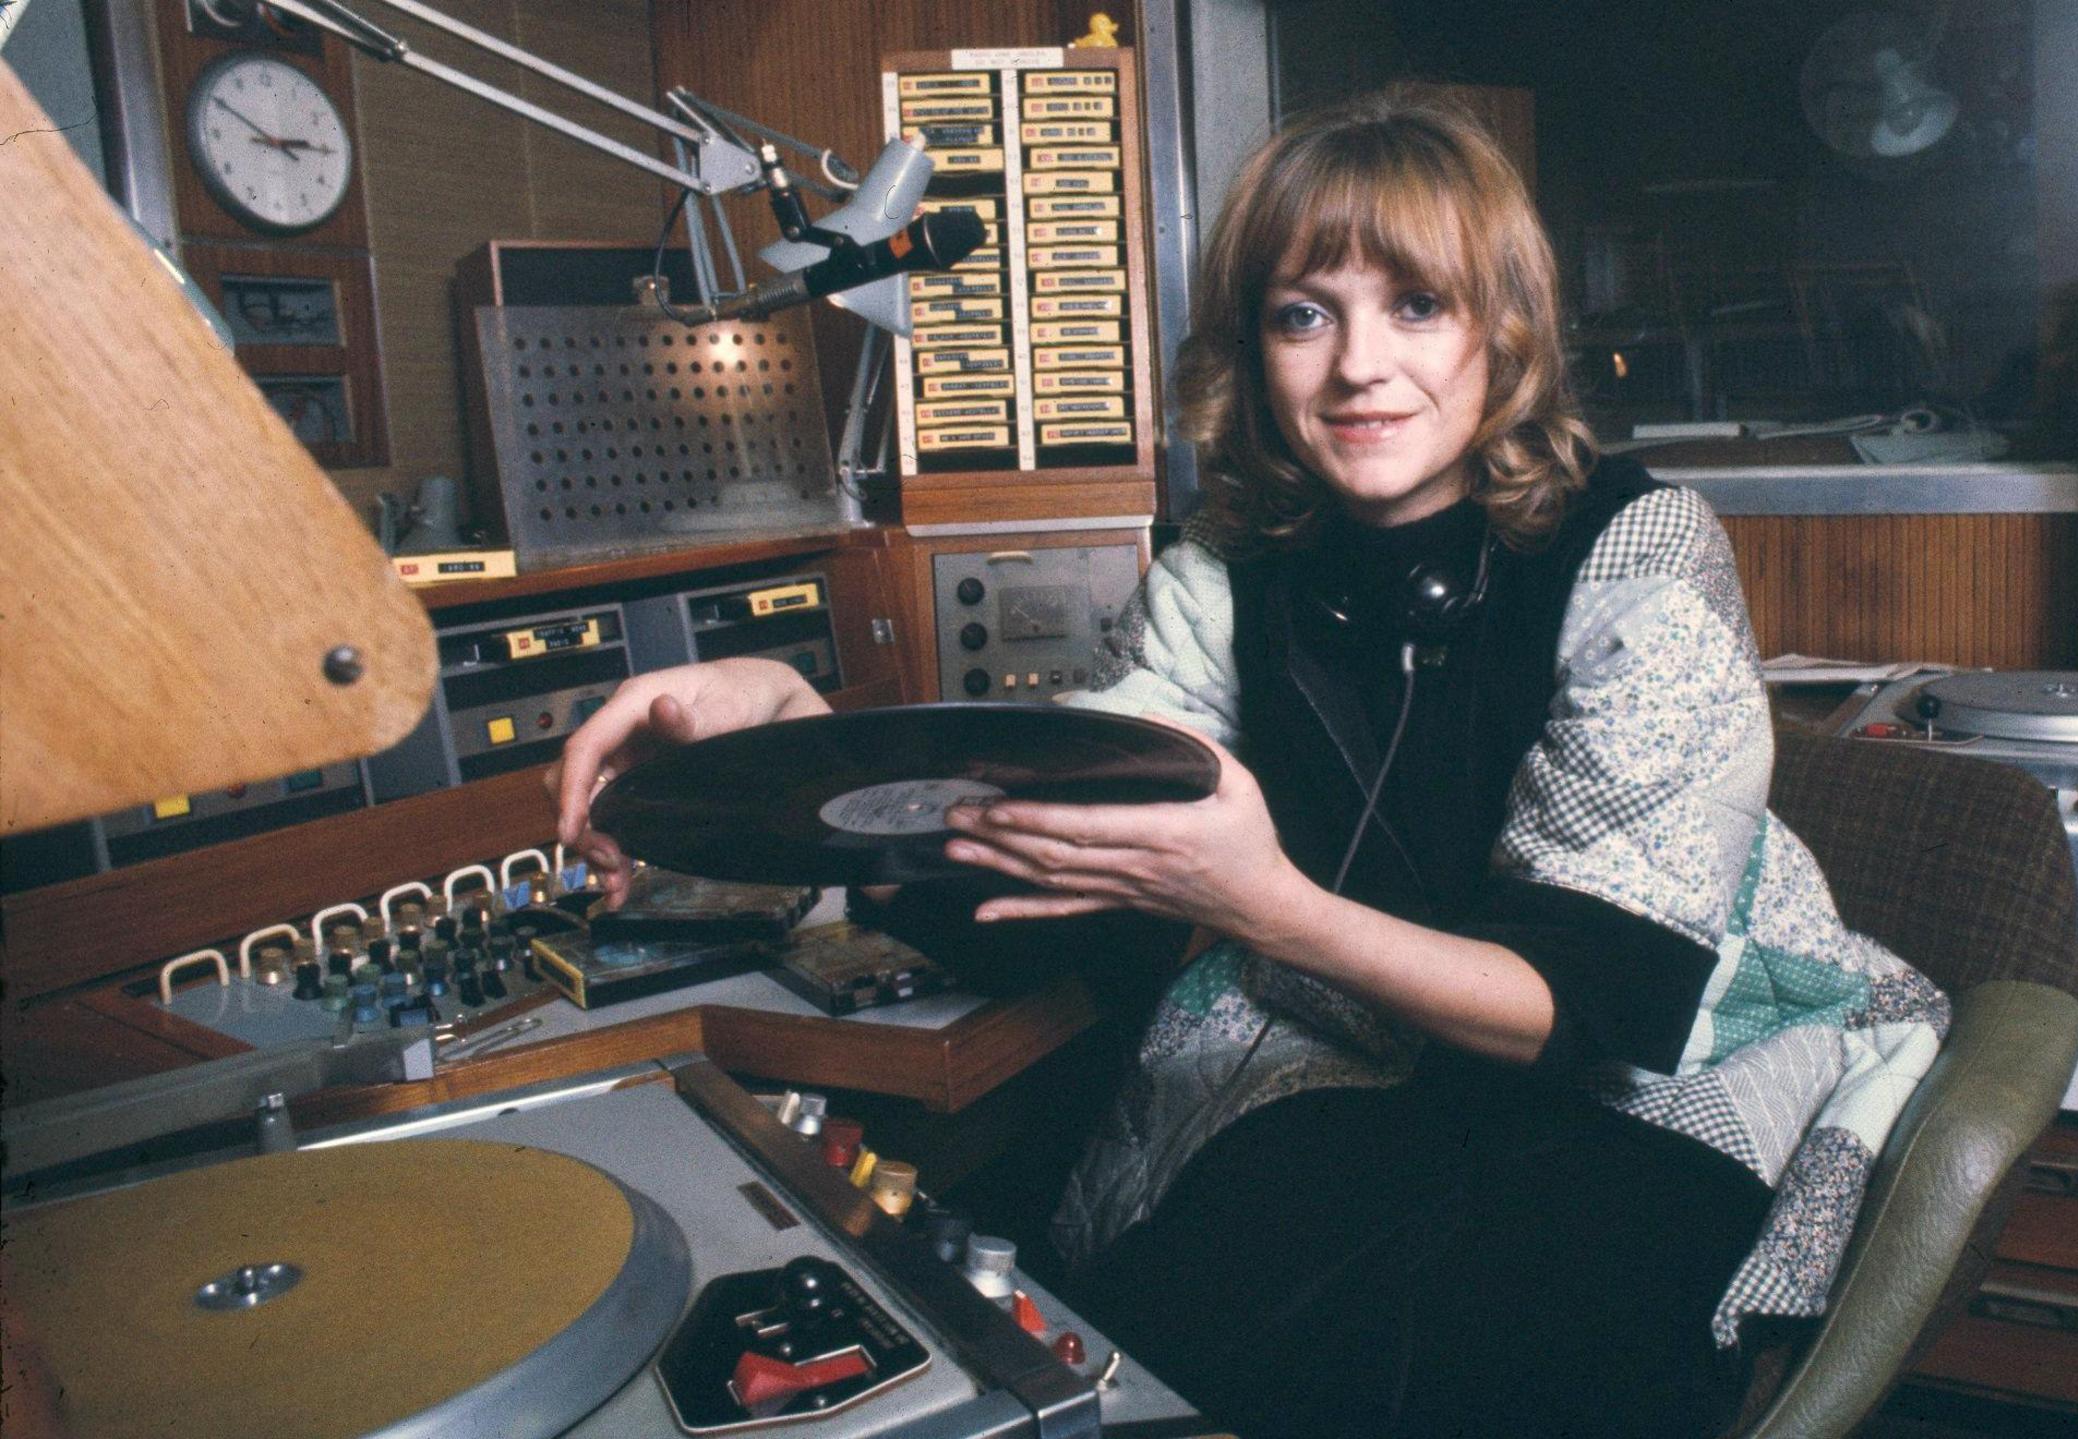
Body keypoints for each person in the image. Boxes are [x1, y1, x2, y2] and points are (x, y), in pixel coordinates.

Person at [551, 89, 1947, 1439]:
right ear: (1253, 350)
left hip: (1634, 1070)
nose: (1358, 367)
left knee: (1547, 1339)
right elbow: (1032, 849)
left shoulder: (1636, 553)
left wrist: (1260, 905)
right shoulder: (1223, 576)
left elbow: (1591, 1009)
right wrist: (799, 734)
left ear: (1503, 329)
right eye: (1302, 314)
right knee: (1174, 1339)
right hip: (1351, 1051)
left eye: (1417, 304)